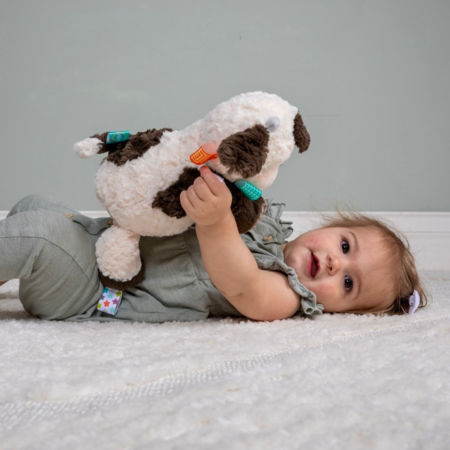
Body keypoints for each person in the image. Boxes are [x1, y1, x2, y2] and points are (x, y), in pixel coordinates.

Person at [0, 166, 427, 323]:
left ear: (337, 310)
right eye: (346, 247)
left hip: (97, 292)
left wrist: (217, 220)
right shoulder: (264, 226)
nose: (336, 264)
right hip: (99, 239)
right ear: (333, 226)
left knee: (40, 235)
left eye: (349, 284)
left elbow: (241, 284)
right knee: (35, 206)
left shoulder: (284, 296)